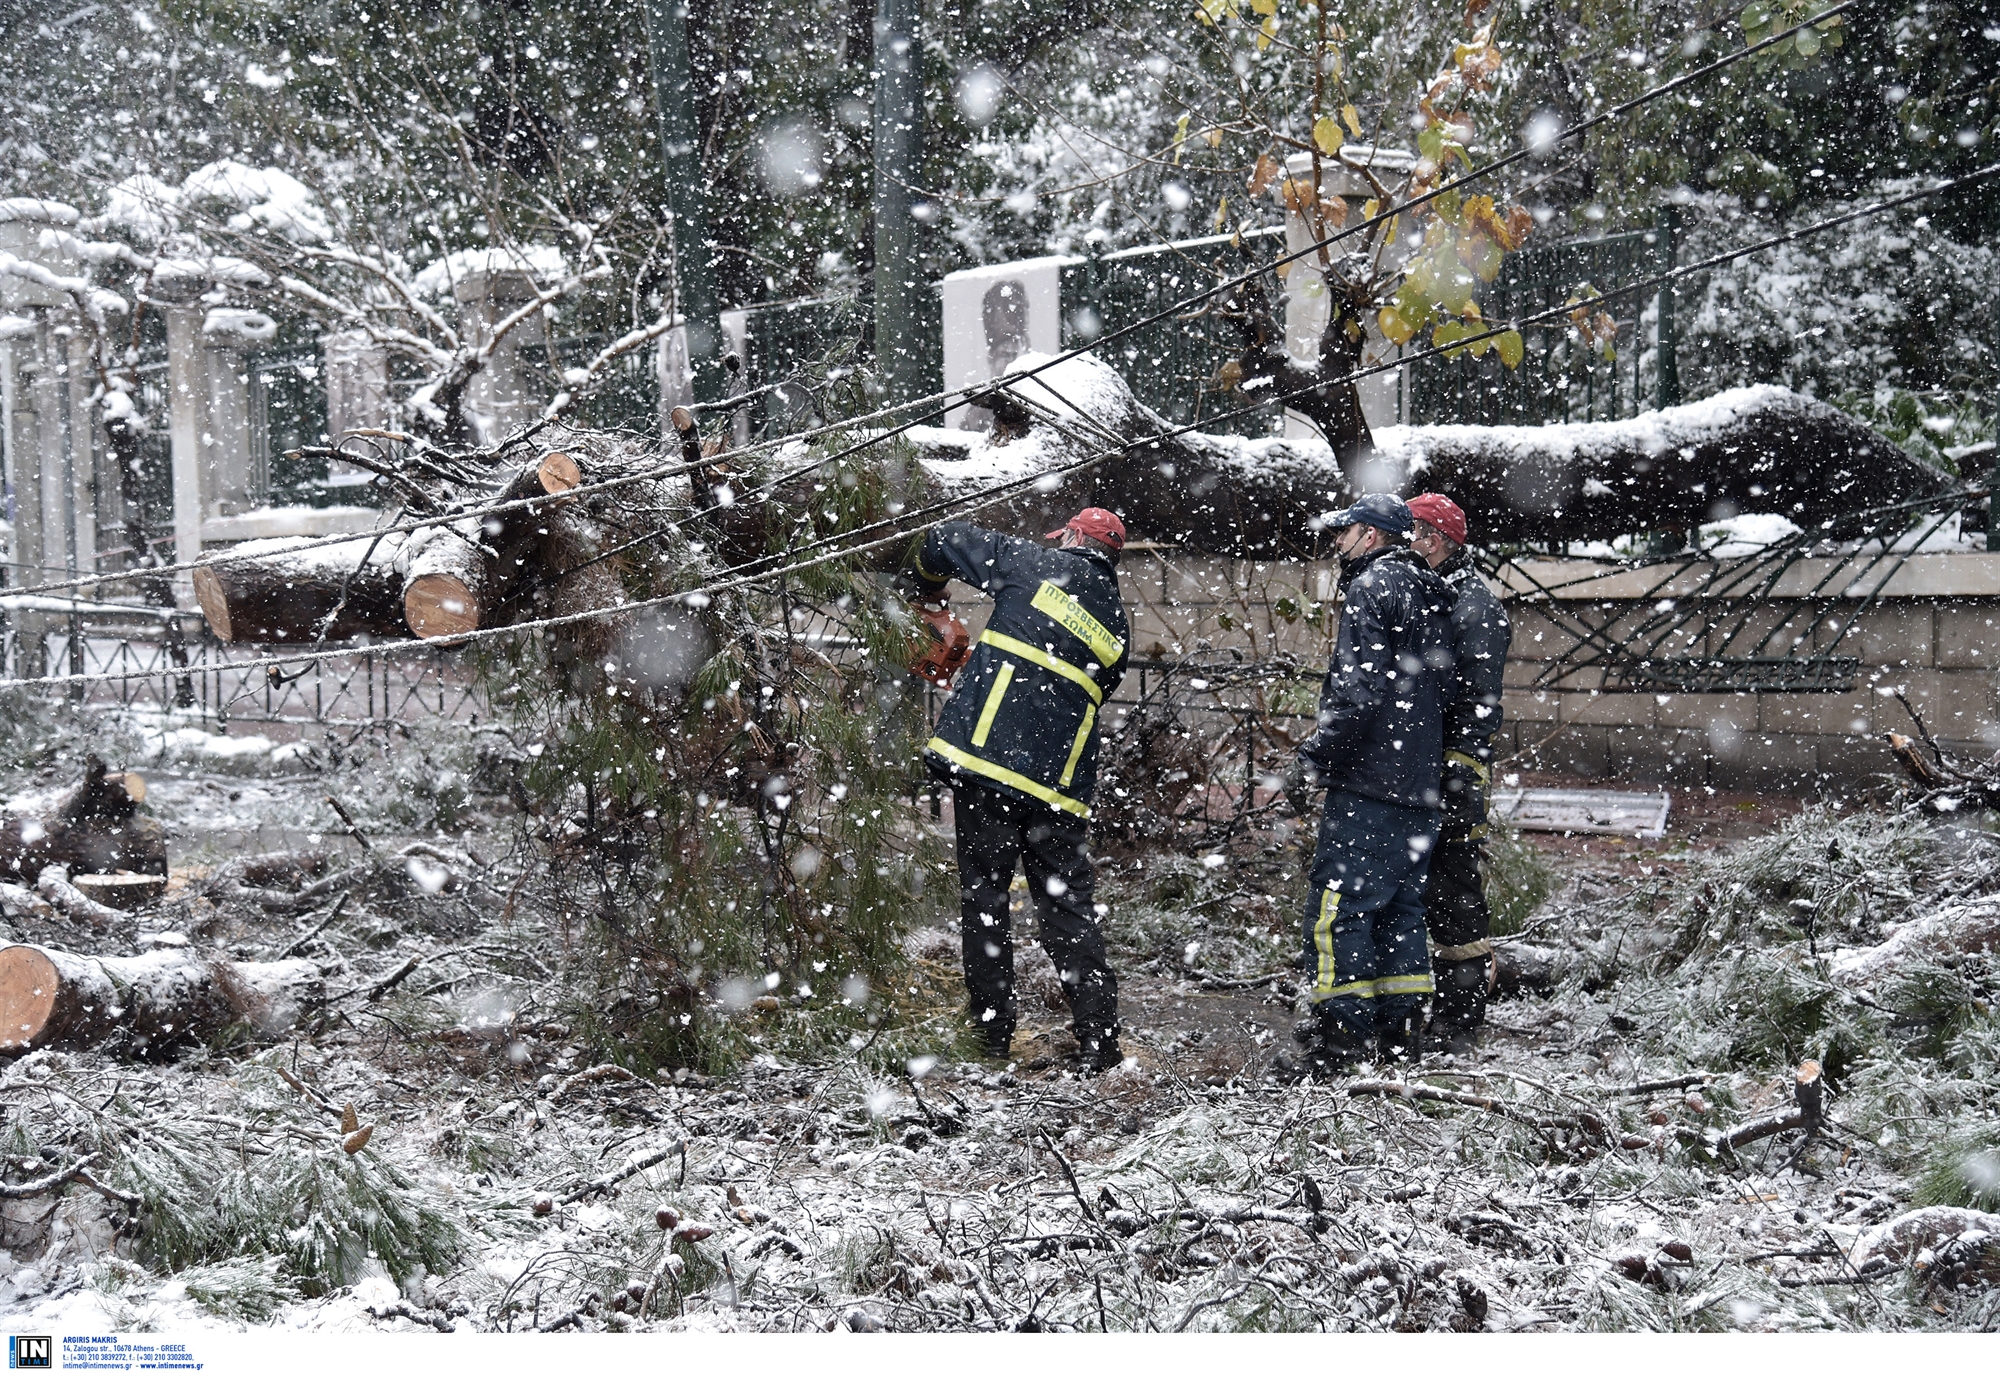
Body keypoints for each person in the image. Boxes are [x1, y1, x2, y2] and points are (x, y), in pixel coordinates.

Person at [909, 508, 1131, 1074]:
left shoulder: (1031, 562)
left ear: (1073, 537)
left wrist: (929, 594)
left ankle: (991, 1038)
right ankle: (1100, 1041)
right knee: (1068, 910)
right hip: (1059, 788)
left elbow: (941, 539)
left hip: (991, 767)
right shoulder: (1118, 625)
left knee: (986, 901)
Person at [1276, 493, 1457, 1079]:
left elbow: (1357, 696)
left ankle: (1341, 1048)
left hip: (1370, 784)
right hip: (1419, 787)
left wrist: (1311, 760)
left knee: (1339, 911)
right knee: (1401, 912)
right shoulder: (1434, 593)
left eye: (1345, 532)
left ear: (1371, 536)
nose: (1338, 542)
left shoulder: (1372, 587)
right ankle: (1399, 1042)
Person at [1407, 493, 1513, 1058]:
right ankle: (1416, 1008)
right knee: (1421, 890)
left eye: (1413, 532)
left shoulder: (1473, 606)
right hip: (1420, 765)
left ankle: (1460, 1020)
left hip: (1454, 772)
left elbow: (1477, 703)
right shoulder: (1431, 594)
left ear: (1437, 540)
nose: (1404, 544)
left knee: (1454, 892)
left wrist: (1457, 770)